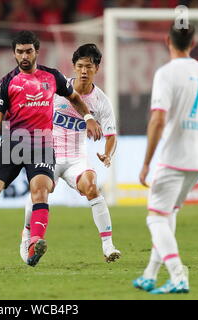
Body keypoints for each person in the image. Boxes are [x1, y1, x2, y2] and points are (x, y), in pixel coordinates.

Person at [0, 31, 102, 267]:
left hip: (42, 143)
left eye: (28, 51)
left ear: (36, 51)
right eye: (20, 51)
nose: (24, 55)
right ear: (14, 53)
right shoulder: (7, 82)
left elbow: (74, 97)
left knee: (40, 190)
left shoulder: (52, 76)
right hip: (13, 142)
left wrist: (89, 116)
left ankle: (35, 242)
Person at [133, 24, 198, 294]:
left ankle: (177, 276)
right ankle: (150, 274)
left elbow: (158, 120)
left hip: (174, 158)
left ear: (166, 41)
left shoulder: (166, 73)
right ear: (193, 42)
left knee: (155, 218)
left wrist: (147, 162)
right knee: (168, 212)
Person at [19, 44, 121, 264]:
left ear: (97, 69)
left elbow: (111, 135)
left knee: (92, 187)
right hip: (49, 155)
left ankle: (108, 246)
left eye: (89, 67)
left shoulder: (101, 101)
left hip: (77, 158)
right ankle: (27, 236)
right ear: (74, 67)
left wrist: (108, 154)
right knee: (40, 192)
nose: (84, 71)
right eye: (80, 66)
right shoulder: (57, 88)